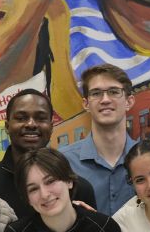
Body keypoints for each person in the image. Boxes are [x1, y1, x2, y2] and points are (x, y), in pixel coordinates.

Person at [0, 89, 97, 218]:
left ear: (51, 127)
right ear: (7, 126)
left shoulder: (78, 188)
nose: (31, 124)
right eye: (21, 118)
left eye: (40, 118)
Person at [59, 64, 138, 215]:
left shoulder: (148, 158)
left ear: (129, 101)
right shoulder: (64, 162)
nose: (105, 100)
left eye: (114, 92)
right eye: (96, 93)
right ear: (86, 104)